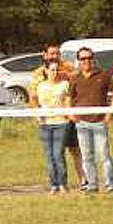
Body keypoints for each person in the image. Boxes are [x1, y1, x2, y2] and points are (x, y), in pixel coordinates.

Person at [29, 43, 85, 189]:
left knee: (75, 150)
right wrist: (38, 116)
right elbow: (33, 97)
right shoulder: (38, 75)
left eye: (57, 54)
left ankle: (83, 180)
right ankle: (55, 183)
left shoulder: (68, 68)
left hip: (66, 117)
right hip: (48, 121)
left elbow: (75, 87)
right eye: (52, 54)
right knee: (52, 154)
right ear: (45, 55)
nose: (55, 56)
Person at [68, 46, 113, 193]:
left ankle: (110, 185)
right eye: (83, 58)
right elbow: (68, 98)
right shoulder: (75, 78)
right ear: (78, 61)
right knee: (87, 156)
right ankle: (92, 185)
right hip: (82, 123)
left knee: (104, 155)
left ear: (93, 59)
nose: (86, 61)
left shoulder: (103, 75)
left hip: (100, 122)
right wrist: (72, 115)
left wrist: (110, 113)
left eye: (89, 58)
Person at [34, 60, 75, 193]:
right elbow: (35, 102)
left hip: (60, 123)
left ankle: (62, 183)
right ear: (46, 71)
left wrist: (68, 116)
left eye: (57, 70)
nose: (55, 73)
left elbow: (67, 101)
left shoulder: (64, 85)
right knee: (48, 155)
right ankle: (53, 183)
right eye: (52, 70)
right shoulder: (40, 86)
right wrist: (38, 117)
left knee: (58, 154)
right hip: (45, 124)